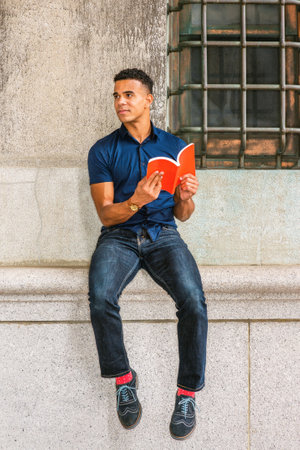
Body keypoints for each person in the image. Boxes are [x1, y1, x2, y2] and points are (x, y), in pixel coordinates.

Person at [87, 68, 208, 440]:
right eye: (116, 96)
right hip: (119, 236)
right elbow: (106, 213)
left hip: (162, 235)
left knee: (194, 301)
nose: (120, 102)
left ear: (148, 100)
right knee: (101, 297)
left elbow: (182, 216)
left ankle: (186, 393)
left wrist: (186, 198)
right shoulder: (102, 150)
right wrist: (137, 200)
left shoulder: (174, 148)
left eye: (128, 95)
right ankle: (124, 380)